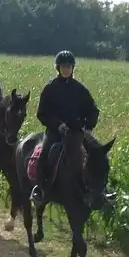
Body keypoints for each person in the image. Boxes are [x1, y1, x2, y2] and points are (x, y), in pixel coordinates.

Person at [30, 50, 100, 208]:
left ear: (73, 68)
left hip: (76, 133)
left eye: (69, 66)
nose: (66, 69)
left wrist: (87, 124)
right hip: (55, 132)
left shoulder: (81, 90)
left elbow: (93, 111)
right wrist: (58, 124)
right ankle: (40, 188)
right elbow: (42, 113)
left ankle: (95, 190)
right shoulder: (50, 88)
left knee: (96, 154)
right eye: (63, 66)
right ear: (58, 68)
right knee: (45, 153)